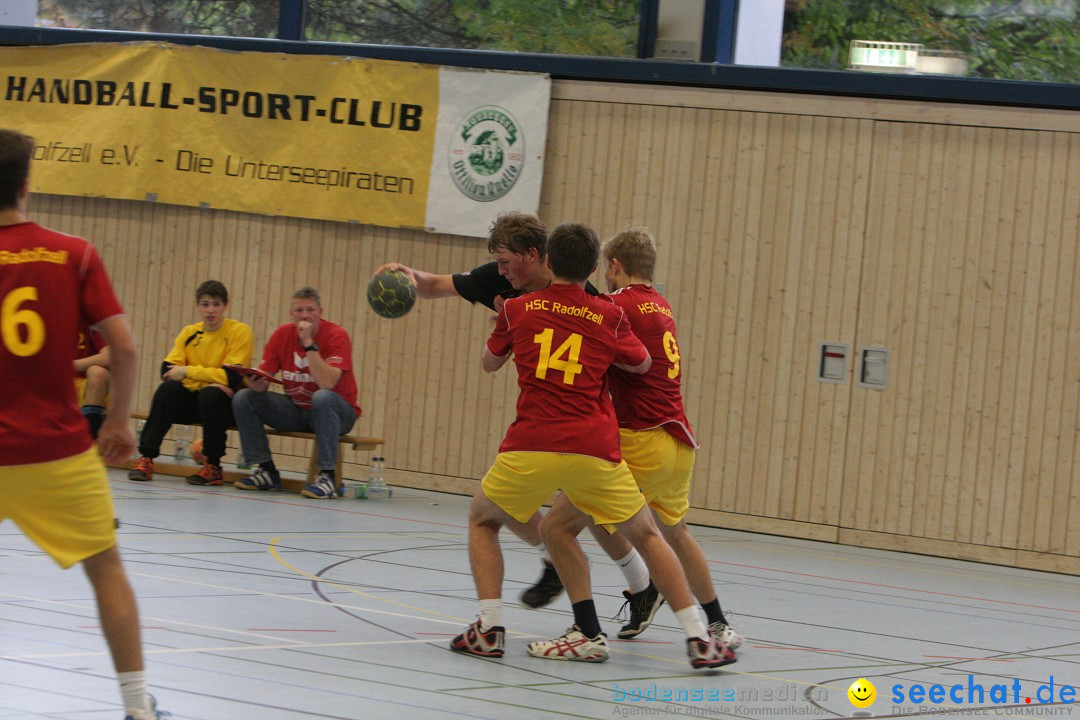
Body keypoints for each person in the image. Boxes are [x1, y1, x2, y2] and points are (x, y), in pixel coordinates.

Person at [450, 222, 734, 669]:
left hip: (533, 443)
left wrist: (505, 328)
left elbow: (490, 363)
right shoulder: (610, 314)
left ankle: (490, 629)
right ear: (592, 267)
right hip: (595, 446)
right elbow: (641, 363)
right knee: (647, 532)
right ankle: (701, 637)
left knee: (485, 518)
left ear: (547, 261)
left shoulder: (518, 309)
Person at [376, 211, 660, 620]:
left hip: (586, 419)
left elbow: (619, 357)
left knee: (587, 514)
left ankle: (639, 590)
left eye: (509, 264)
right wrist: (405, 274)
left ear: (536, 256)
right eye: (500, 265)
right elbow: (435, 285)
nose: (503, 272)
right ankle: (571, 569)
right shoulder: (499, 278)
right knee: (513, 503)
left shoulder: (584, 293)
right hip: (541, 419)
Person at [0, 128, 167, 719]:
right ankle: (136, 707)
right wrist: (119, 422)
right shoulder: (74, 253)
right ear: (25, 186)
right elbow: (123, 347)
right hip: (54, 449)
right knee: (105, 568)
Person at [538, 228, 744, 651]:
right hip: (679, 441)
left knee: (560, 524)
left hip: (641, 440)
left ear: (613, 266)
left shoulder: (615, 307)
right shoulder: (660, 304)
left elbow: (581, 322)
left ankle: (592, 625)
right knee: (675, 533)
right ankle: (719, 625)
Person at [232, 286, 360, 499]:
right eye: (299, 310)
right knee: (244, 398)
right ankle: (266, 470)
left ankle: (327, 476)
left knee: (323, 397)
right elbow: (265, 376)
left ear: (320, 311)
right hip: (297, 410)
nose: (305, 315)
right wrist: (256, 384)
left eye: (310, 310)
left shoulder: (336, 336)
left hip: (337, 413)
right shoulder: (282, 335)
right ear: (292, 313)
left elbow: (327, 382)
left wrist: (309, 343)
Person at [128, 280, 253, 486]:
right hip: (196, 401)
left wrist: (187, 371)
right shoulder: (190, 333)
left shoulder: (240, 332)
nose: (210, 310)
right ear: (198, 306)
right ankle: (146, 458)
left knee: (211, 395)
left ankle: (213, 466)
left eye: (216, 304)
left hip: (226, 407)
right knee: (168, 389)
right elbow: (167, 370)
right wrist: (212, 378)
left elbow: (232, 377)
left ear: (225, 305)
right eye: (205, 305)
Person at [75, 322, 111, 439]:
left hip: (86, 384)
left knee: (98, 373)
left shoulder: (94, 323)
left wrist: (68, 365)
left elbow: (107, 357)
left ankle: (90, 435)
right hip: (58, 383)